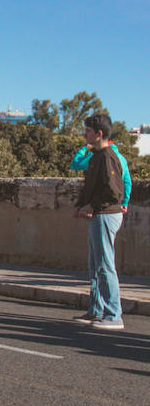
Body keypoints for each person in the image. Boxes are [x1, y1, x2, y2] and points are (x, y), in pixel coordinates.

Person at [72, 113, 127, 331]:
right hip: (97, 215)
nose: (85, 134)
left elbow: (113, 191)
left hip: (106, 215)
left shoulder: (107, 157)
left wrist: (91, 207)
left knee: (105, 265)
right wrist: (80, 204)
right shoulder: (96, 156)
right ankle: (96, 310)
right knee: (95, 266)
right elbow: (90, 187)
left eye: (88, 131)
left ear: (99, 134)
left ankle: (114, 314)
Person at [71, 139, 131, 212]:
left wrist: (84, 148)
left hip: (99, 206)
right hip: (116, 207)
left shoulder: (98, 156)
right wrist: (124, 203)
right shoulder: (122, 158)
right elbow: (127, 182)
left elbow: (76, 164)